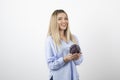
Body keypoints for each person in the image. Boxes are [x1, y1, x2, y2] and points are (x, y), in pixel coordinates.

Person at [45, 9, 83, 80]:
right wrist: (64, 59)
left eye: (66, 19)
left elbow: (79, 61)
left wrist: (77, 58)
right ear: (54, 22)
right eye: (60, 19)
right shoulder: (50, 40)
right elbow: (50, 65)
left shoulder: (74, 38)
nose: (64, 21)